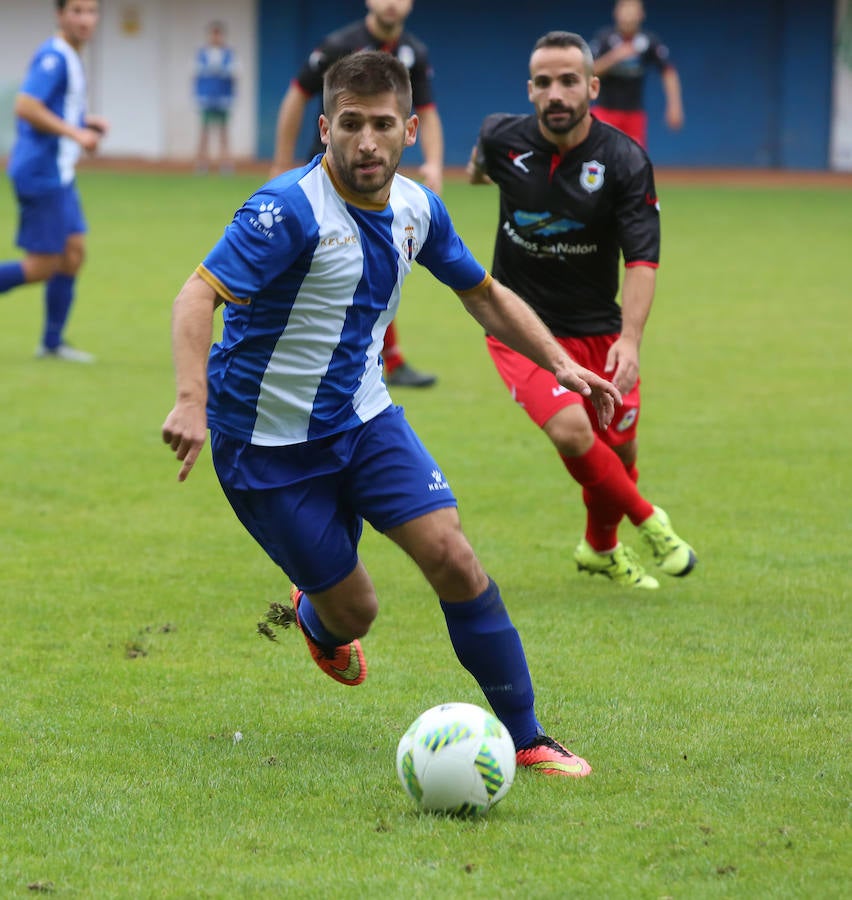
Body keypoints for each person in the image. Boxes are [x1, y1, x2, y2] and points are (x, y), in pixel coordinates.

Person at [162, 51, 622, 777]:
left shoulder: (417, 207)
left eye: (382, 125)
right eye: (350, 124)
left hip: (364, 421)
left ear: (410, 129)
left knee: (454, 556)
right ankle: (318, 618)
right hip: (266, 450)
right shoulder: (285, 210)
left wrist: (558, 361)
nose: (366, 142)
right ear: (325, 128)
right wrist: (191, 402)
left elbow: (483, 294)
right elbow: (196, 296)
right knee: (356, 614)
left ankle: (528, 737)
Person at [468, 31, 696, 589]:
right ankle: (651, 521)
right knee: (573, 432)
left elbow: (642, 259)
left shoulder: (623, 160)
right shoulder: (503, 138)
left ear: (592, 86)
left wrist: (631, 340)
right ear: (530, 89)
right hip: (520, 327)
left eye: (569, 80)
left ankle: (599, 548)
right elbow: (480, 163)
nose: (556, 93)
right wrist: (474, 171)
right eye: (543, 83)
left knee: (620, 446)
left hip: (598, 329)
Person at [271, 0, 440, 388]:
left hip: (378, 179)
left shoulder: (414, 52)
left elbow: (428, 111)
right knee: (330, 266)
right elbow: (297, 94)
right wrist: (280, 164)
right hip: (330, 177)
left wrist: (433, 161)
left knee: (372, 261)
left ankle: (382, 358)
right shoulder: (338, 46)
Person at [0, 0, 107, 363]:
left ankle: (51, 343)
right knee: (43, 266)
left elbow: (57, 107)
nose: (85, 19)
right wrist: (77, 135)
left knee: (73, 254)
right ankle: (50, 343)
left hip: (59, 174)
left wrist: (85, 122)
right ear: (59, 14)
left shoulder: (71, 56)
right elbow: (27, 105)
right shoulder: (54, 56)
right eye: (76, 10)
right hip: (41, 173)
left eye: (91, 11)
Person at [589, 0, 683, 149]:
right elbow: (589, 71)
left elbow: (668, 72)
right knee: (601, 158)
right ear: (616, 12)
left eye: (633, 10)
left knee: (634, 163)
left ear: (641, 14)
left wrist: (674, 106)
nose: (628, 15)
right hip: (604, 112)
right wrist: (614, 57)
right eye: (624, 9)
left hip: (633, 115)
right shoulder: (604, 39)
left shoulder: (649, 41)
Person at [194, 20, 237, 174]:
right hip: (207, 98)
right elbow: (197, 75)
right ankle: (201, 163)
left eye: (218, 34)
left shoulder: (229, 54)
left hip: (223, 99)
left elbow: (234, 75)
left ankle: (225, 163)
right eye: (213, 34)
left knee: (223, 132)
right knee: (204, 132)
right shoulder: (202, 54)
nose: (215, 37)